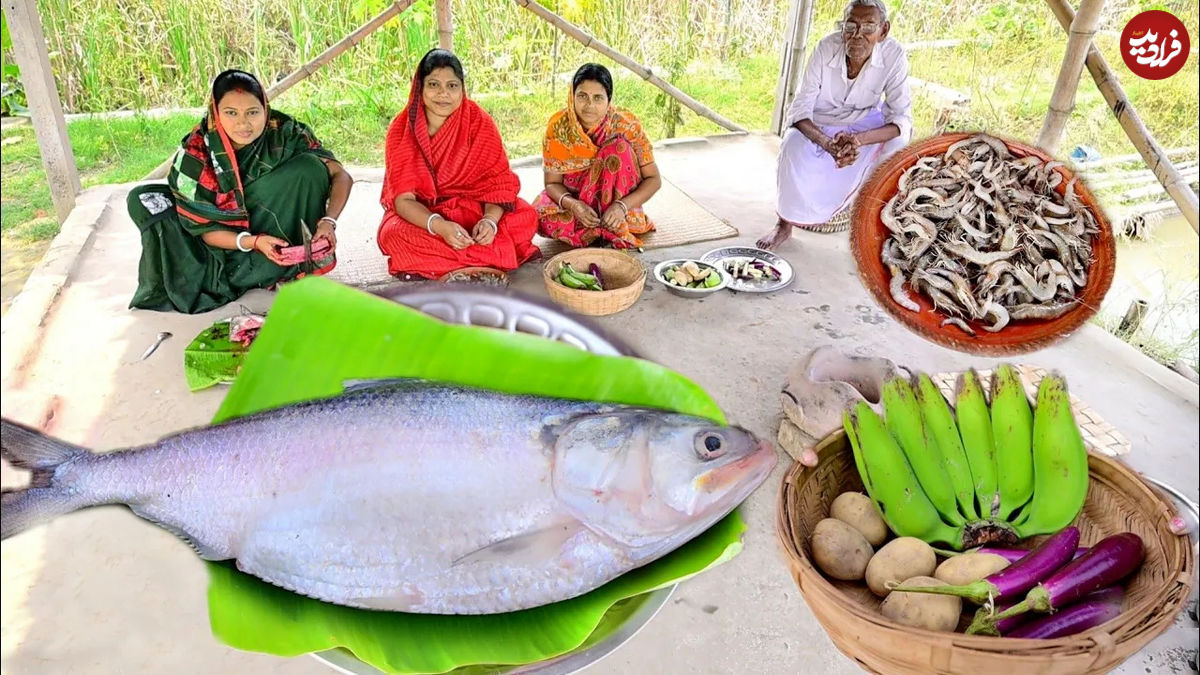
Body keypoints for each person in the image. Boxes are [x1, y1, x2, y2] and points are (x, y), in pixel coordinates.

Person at [127, 69, 352, 314]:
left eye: (252, 112)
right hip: (225, 246)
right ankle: (232, 272)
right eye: (231, 113)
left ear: (265, 109)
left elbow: (341, 176)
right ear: (216, 112)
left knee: (309, 168)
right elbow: (207, 232)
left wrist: (328, 222)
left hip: (272, 236)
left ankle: (290, 261)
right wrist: (253, 242)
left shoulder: (284, 131)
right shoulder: (197, 153)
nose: (243, 124)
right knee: (144, 199)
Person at [757, 0, 912, 250]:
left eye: (868, 27)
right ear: (842, 29)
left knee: (898, 143)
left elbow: (901, 118)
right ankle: (783, 225)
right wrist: (827, 143)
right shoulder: (825, 48)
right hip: (820, 122)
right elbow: (799, 110)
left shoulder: (894, 55)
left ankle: (868, 217)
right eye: (850, 26)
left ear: (883, 31)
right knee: (792, 145)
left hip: (862, 124)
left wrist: (858, 140)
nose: (857, 35)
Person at [377, 49, 541, 279]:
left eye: (452, 86)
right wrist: (440, 226)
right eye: (434, 84)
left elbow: (498, 185)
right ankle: (489, 259)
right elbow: (403, 200)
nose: (443, 94)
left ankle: (449, 263)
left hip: (472, 212)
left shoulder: (478, 121)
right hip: (426, 217)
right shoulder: (401, 129)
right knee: (392, 234)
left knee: (526, 217)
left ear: (462, 88)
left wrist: (490, 222)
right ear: (419, 87)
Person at [534, 63, 662, 249]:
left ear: (609, 101)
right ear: (572, 96)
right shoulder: (559, 127)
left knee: (617, 149)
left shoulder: (626, 125)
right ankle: (597, 226)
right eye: (583, 96)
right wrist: (575, 206)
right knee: (538, 217)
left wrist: (622, 207)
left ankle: (612, 222)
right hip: (579, 203)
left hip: (616, 203)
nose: (589, 105)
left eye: (598, 98)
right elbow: (552, 183)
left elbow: (654, 179)